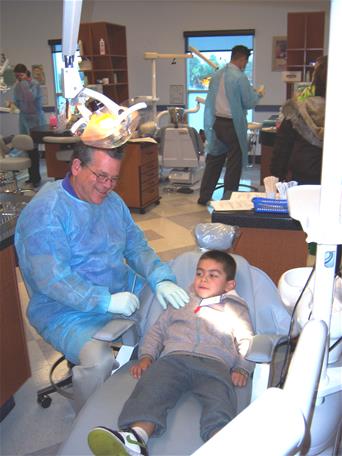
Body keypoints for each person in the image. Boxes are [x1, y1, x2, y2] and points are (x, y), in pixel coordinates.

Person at [15, 143, 189, 411]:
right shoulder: (46, 213)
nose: (108, 185)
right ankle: (88, 422)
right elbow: (53, 280)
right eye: (100, 176)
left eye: (114, 178)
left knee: (168, 311)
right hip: (63, 310)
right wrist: (104, 301)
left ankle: (149, 386)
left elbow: (136, 246)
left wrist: (159, 276)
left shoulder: (112, 203)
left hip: (117, 289)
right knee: (98, 360)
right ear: (76, 167)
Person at [87, 250, 254, 456]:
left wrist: (242, 368)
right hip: (174, 359)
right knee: (152, 389)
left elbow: (246, 340)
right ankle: (136, 437)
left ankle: (219, 443)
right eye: (199, 273)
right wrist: (147, 356)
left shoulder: (235, 309)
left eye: (213, 275)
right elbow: (157, 330)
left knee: (219, 399)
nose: (203, 279)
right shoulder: (181, 301)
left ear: (229, 285)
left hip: (215, 364)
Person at [198, 45, 264, 205]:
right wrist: (259, 94)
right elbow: (249, 102)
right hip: (232, 125)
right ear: (242, 59)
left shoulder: (217, 74)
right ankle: (228, 199)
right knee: (234, 163)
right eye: (245, 62)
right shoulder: (240, 77)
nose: (245, 65)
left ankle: (204, 196)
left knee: (214, 159)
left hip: (217, 123)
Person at [270, 56, 328, 185]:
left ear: (315, 80)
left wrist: (276, 179)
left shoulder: (297, 109)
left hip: (304, 174)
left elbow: (282, 149)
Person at [13, 63, 46, 188]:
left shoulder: (34, 84)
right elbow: (17, 101)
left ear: (26, 73)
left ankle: (36, 178)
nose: (19, 78)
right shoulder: (17, 86)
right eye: (17, 76)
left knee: (33, 149)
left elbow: (31, 98)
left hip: (35, 119)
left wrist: (24, 84)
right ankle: (31, 176)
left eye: (20, 75)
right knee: (28, 149)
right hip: (24, 119)